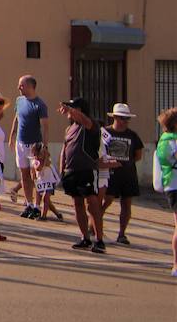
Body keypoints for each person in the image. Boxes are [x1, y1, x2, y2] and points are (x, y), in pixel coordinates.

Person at [58, 97, 106, 253]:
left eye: (73, 108)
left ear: (80, 110)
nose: (68, 111)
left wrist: (71, 110)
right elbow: (64, 150)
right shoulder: (69, 129)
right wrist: (62, 170)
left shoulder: (90, 124)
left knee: (91, 204)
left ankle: (99, 240)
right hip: (71, 171)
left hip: (86, 170)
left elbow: (85, 120)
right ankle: (85, 237)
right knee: (77, 203)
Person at [100, 103, 143, 246]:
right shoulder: (105, 133)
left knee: (126, 204)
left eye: (127, 118)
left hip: (128, 174)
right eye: (122, 118)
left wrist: (126, 162)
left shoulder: (132, 135)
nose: (125, 121)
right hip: (110, 173)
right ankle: (94, 225)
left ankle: (122, 233)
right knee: (107, 201)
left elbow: (138, 155)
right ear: (115, 117)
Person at [9, 75, 49, 219]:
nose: (19, 87)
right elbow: (17, 118)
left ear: (30, 86)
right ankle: (29, 204)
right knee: (24, 174)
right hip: (21, 143)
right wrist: (12, 135)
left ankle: (37, 206)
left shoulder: (40, 105)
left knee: (36, 175)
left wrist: (44, 146)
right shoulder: (19, 101)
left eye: (21, 85)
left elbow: (45, 127)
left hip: (34, 145)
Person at [152, 107, 177, 277]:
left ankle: (176, 264)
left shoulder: (162, 140)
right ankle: (176, 264)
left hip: (171, 185)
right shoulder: (172, 141)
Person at [30, 142, 64, 221]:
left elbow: (48, 162)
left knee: (45, 198)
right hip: (42, 181)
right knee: (47, 200)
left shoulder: (47, 160)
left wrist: (45, 156)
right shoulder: (34, 161)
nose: (36, 156)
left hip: (50, 181)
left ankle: (43, 216)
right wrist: (44, 159)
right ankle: (57, 214)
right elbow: (38, 168)